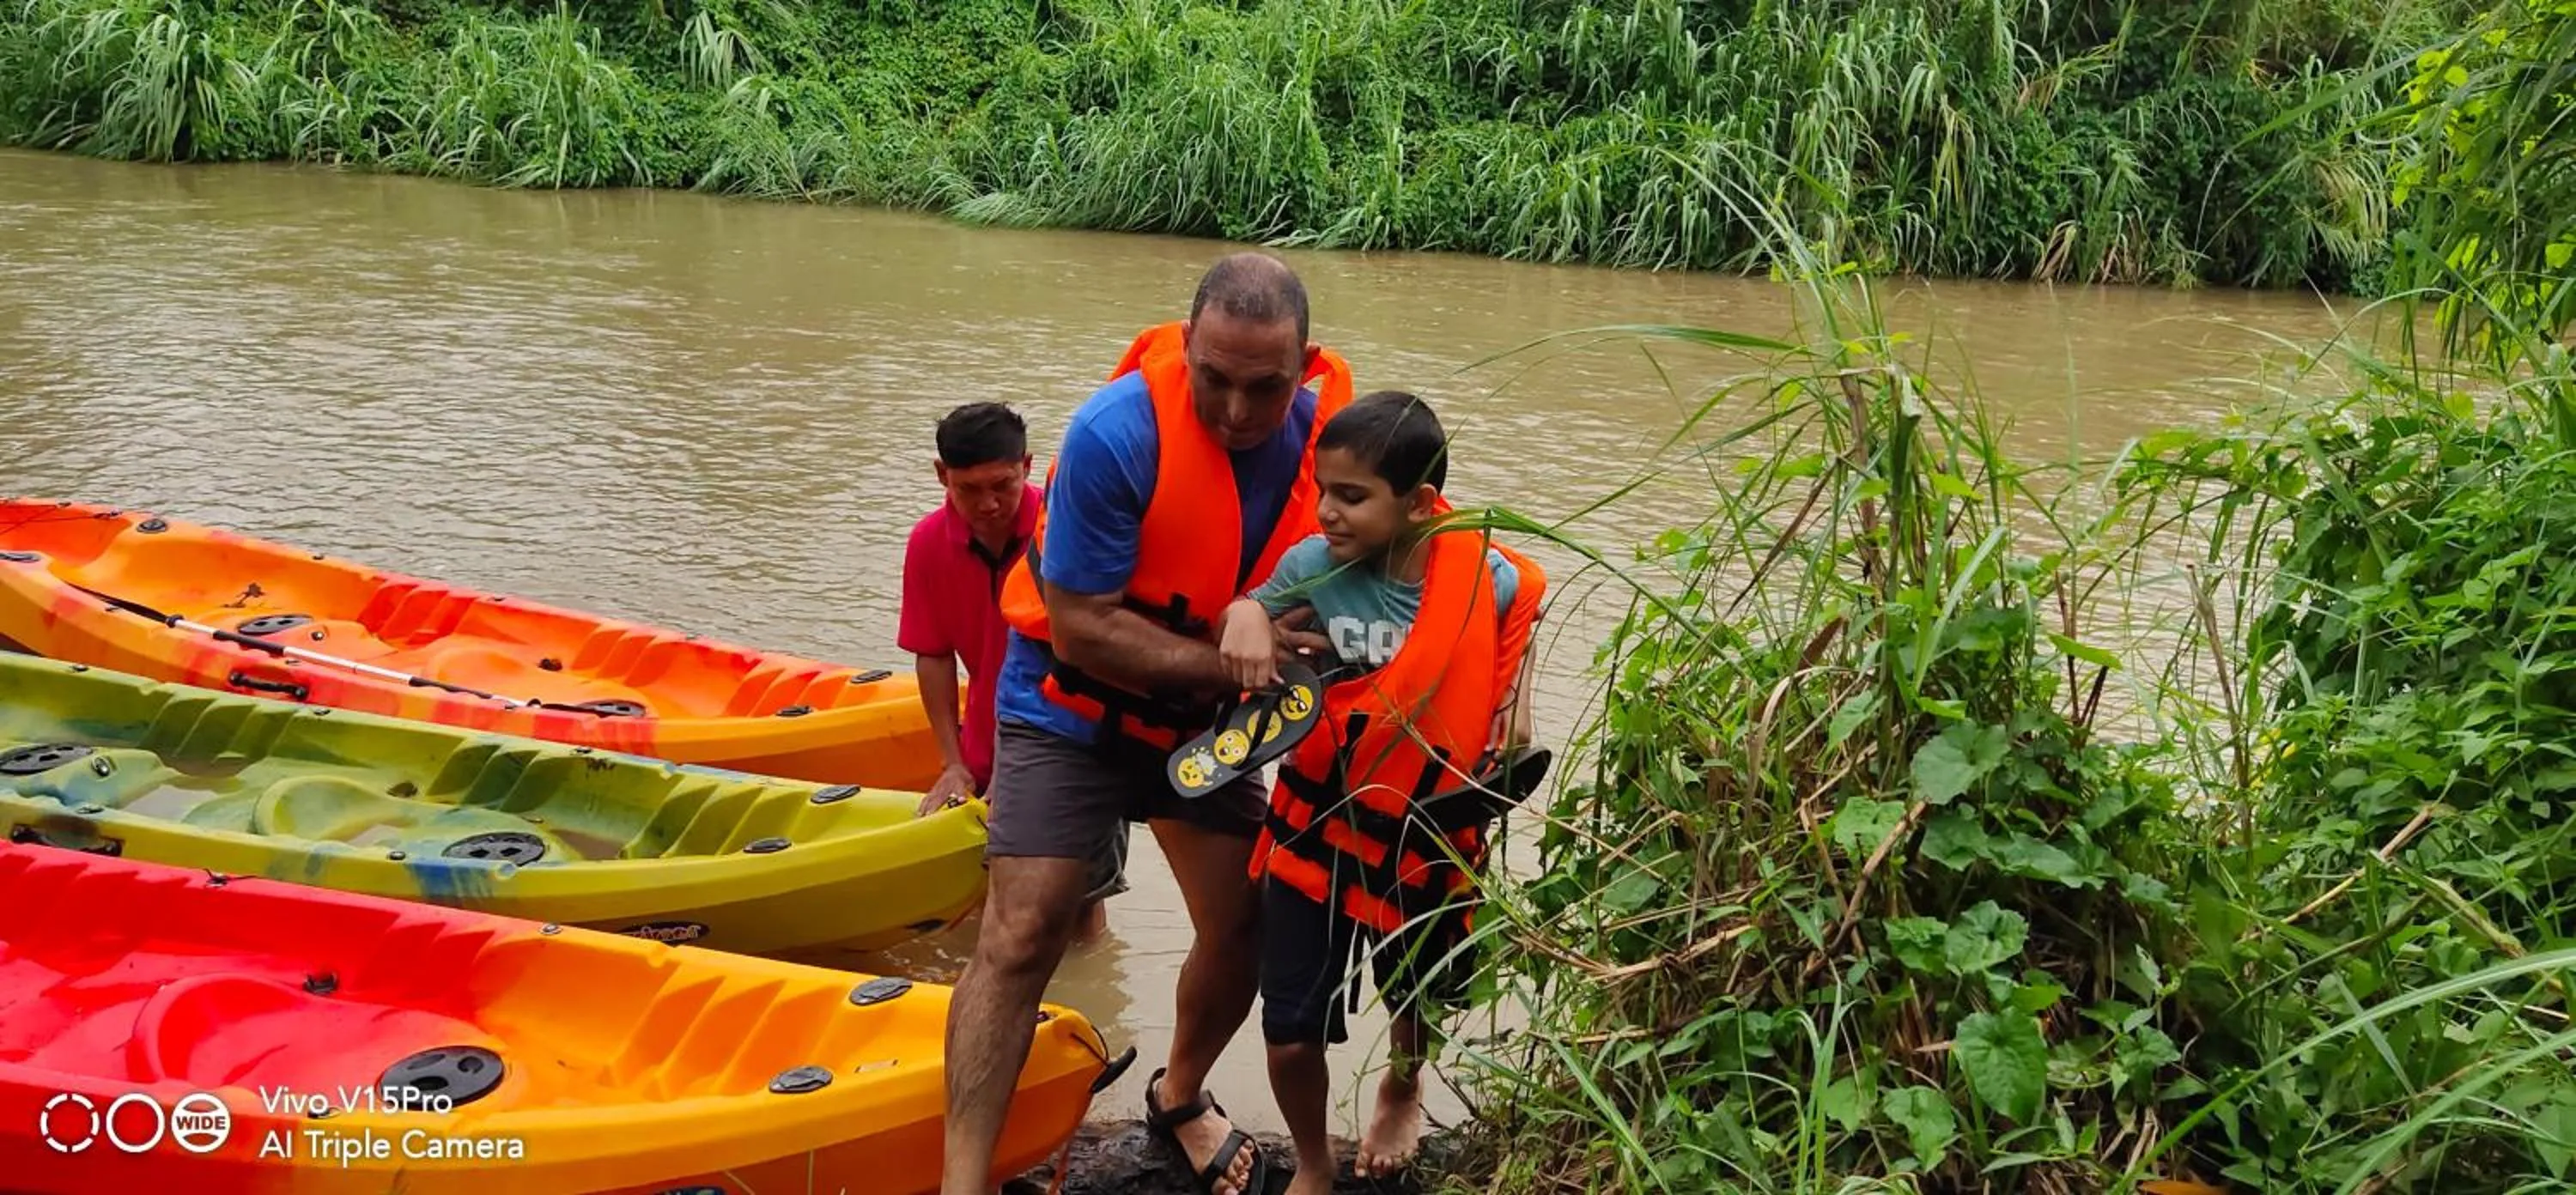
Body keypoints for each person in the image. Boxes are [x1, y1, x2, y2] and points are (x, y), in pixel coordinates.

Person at [937, 252, 1357, 1195]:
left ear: (1306, 365)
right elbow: (1083, 629)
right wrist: (1235, 663)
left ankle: (1181, 1092)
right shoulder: (1114, 433)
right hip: (1068, 709)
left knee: (1242, 922)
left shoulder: (1330, 446)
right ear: (1186, 345)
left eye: (1266, 386)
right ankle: (959, 1182)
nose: (1239, 411)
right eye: (1215, 379)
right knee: (1021, 930)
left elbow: (1405, 546)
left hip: (1202, 731)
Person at [1214, 391, 1546, 1193]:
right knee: (1290, 1028)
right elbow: (1248, 609)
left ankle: (1402, 1081)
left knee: (1416, 993)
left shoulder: (1488, 581)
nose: (1326, 511)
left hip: (1424, 833)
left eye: (1352, 497)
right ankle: (1316, 1164)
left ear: (1422, 504)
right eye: (1323, 489)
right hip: (1314, 830)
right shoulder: (1313, 568)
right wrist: (1246, 618)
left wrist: (1515, 719)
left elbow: (1514, 679)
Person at [898, 400, 1118, 944]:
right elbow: (932, 654)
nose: (988, 504)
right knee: (994, 897)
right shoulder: (927, 545)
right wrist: (952, 763)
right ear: (941, 475)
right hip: (982, 746)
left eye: (1002, 485)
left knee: (1079, 903)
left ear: (1027, 466)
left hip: (1072, 740)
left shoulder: (1065, 532)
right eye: (968, 490)